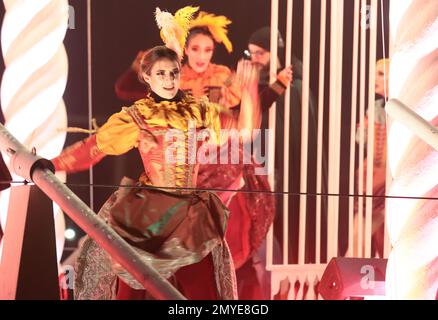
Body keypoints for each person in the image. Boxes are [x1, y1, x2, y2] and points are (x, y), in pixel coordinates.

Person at [52, 6, 261, 300]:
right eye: (160, 73)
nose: (169, 79)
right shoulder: (138, 115)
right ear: (147, 78)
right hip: (146, 213)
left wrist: (250, 91)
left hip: (190, 211)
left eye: (174, 73)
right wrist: (53, 163)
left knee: (203, 292)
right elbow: (95, 147)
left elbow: (244, 131)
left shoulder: (199, 110)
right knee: (131, 288)